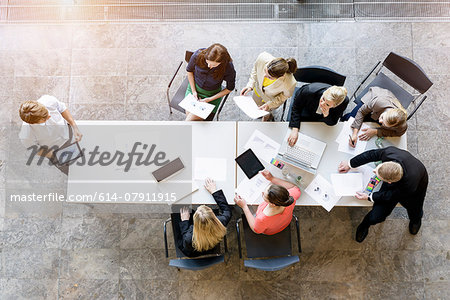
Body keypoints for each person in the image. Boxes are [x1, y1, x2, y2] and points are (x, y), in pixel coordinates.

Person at [338, 146, 428, 243]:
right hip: (397, 179)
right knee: (375, 217)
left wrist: (369, 197)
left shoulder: (409, 186)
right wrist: (350, 164)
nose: (374, 171)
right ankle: (365, 224)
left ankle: (415, 219)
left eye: (377, 174)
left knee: (414, 207)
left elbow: (390, 196)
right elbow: (370, 154)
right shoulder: (389, 152)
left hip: (417, 184)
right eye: (377, 169)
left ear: (389, 182)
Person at [18, 95, 83, 174]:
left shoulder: (47, 100)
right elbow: (34, 149)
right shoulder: (26, 136)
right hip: (58, 150)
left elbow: (62, 108)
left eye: (46, 112)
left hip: (68, 133)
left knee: (87, 156)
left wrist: (74, 126)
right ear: (33, 123)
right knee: (74, 173)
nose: (49, 116)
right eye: (44, 118)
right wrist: (53, 155)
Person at [234, 170, 301, 235]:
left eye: (264, 195)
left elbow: (256, 230)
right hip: (285, 222)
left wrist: (244, 207)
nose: (262, 192)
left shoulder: (262, 218)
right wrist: (272, 178)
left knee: (248, 208)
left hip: (270, 230)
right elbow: (295, 188)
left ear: (272, 204)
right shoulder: (290, 197)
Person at [177, 178, 232, 257]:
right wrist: (214, 192)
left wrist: (185, 221)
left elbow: (185, 240)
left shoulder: (189, 237)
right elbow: (227, 211)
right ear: (213, 215)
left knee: (177, 209)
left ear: (194, 221)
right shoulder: (221, 222)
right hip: (212, 245)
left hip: (193, 250)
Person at [185, 43, 236, 121]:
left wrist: (209, 99)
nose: (209, 66)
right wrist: (194, 91)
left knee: (189, 121)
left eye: (214, 65)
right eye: (208, 62)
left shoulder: (228, 67)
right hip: (194, 88)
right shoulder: (198, 55)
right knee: (191, 120)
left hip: (212, 94)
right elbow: (189, 71)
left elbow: (230, 88)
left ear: (222, 63)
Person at [240, 52, 297, 121]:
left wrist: (269, 105)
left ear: (281, 76)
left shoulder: (290, 83)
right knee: (256, 104)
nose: (264, 76)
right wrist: (250, 85)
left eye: (269, 77)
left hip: (271, 100)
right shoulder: (262, 58)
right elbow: (255, 70)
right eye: (265, 71)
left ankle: (268, 116)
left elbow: (283, 97)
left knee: (266, 111)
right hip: (258, 92)